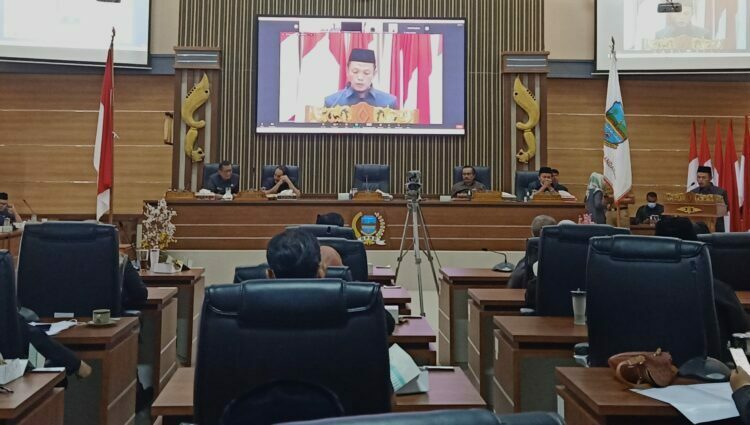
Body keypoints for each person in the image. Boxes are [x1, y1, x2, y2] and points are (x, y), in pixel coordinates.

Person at [265, 229, 394, 335]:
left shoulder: (254, 306)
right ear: (321, 272)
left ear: (270, 275)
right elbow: (388, 325)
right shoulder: (361, 305)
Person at [655, 216, 748, 360]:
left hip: (637, 367)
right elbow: (742, 328)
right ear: (696, 247)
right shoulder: (716, 291)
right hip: (707, 369)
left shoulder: (630, 288)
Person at [324, 49, 398, 109]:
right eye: (355, 72)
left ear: (374, 73)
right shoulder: (332, 103)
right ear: (347, 71)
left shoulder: (389, 103)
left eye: (366, 73)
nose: (360, 78)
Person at [509, 215, 557, 290]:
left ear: (532, 233)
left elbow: (513, 286)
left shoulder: (524, 264)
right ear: (555, 233)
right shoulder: (563, 260)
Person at [690, 166, 728, 232]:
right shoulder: (693, 192)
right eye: (698, 177)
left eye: (703, 177)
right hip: (697, 228)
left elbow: (726, 209)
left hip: (716, 228)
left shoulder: (720, 192)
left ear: (710, 178)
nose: (700, 180)